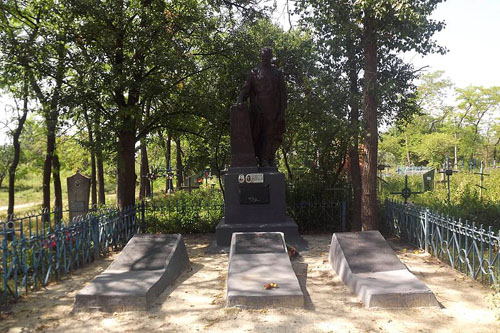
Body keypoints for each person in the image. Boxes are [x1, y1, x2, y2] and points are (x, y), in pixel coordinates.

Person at [238, 47, 287, 167]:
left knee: (270, 135)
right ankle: (258, 159)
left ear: (270, 57)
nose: (264, 58)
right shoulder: (254, 73)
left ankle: (267, 159)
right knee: (256, 135)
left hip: (273, 111)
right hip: (257, 110)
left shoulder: (277, 73)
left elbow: (283, 93)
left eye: (267, 56)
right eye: (263, 56)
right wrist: (240, 100)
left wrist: (281, 112)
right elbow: (246, 89)